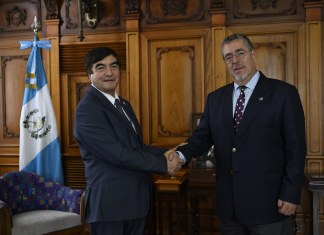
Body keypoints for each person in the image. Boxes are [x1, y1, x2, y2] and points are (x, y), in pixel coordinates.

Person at [174, 34, 306, 235]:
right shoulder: (216, 99)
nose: (234, 60)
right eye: (228, 57)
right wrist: (180, 155)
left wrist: (291, 193)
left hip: (270, 206)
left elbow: (296, 148)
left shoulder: (283, 94)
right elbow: (202, 138)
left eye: (239, 53)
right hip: (230, 209)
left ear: (252, 54)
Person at [73, 47, 183, 235]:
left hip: (134, 204)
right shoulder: (88, 110)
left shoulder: (123, 104)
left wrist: (169, 151)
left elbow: (135, 148)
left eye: (113, 66)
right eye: (100, 67)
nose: (109, 72)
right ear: (89, 74)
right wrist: (164, 164)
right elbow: (118, 154)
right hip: (110, 208)